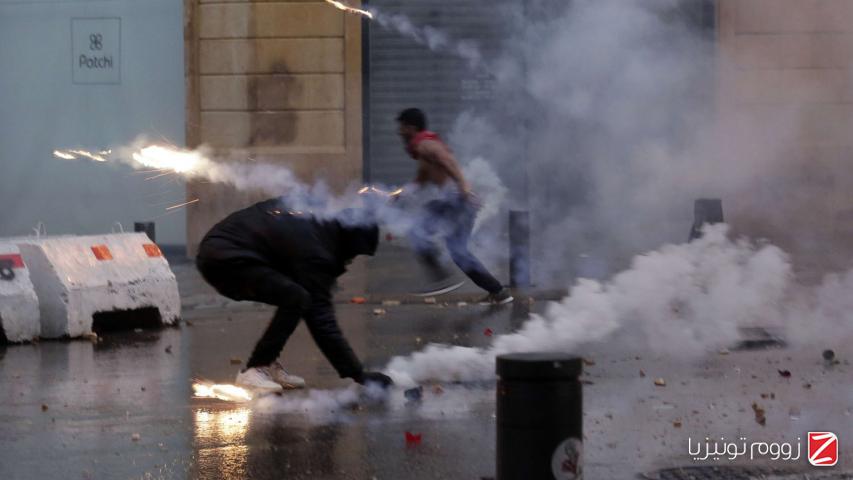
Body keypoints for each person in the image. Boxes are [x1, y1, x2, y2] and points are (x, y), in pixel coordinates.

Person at [195, 198, 394, 392]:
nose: (350, 261)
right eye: (354, 253)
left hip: (226, 250)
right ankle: (255, 369)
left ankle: (267, 361)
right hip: (224, 260)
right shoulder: (315, 249)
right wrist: (358, 374)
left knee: (296, 296)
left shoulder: (320, 220)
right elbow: (321, 320)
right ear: (348, 242)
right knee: (297, 297)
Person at [396, 107, 513, 305]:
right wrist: (401, 193)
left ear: (411, 127)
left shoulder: (425, 145)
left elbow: (448, 161)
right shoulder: (423, 150)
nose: (399, 132)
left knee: (421, 232)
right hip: (452, 201)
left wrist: (464, 188)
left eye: (402, 127)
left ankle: (443, 278)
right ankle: (498, 292)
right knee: (457, 251)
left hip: (456, 201)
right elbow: (421, 180)